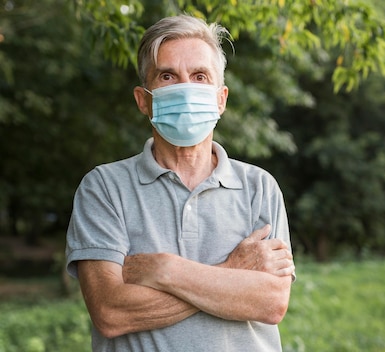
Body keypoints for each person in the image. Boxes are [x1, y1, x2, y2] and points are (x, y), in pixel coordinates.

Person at [65, 14, 295, 351]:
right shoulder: (103, 187)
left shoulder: (259, 187)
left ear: (221, 99)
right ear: (144, 100)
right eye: (168, 76)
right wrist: (232, 271)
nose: (186, 88)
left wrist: (164, 269)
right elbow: (110, 311)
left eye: (200, 76)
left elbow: (271, 303)